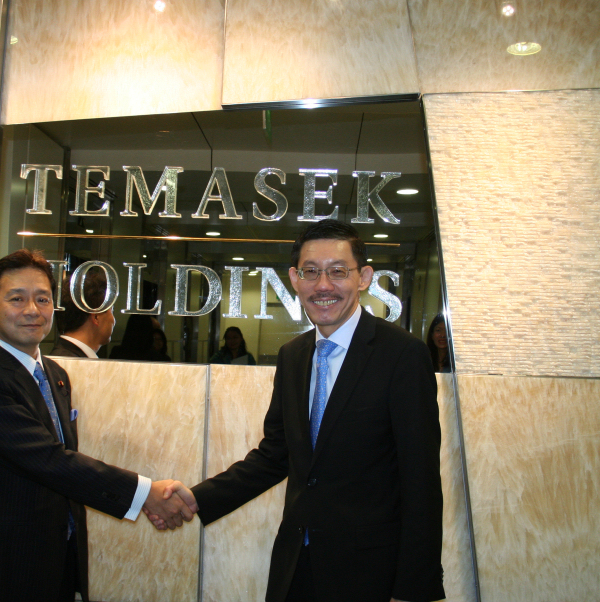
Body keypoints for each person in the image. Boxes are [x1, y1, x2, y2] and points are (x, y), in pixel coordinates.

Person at [182, 220, 444, 602]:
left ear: (363, 277)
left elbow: (421, 481)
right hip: (295, 570)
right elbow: (275, 455)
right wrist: (196, 498)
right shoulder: (293, 355)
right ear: (294, 278)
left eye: (338, 271)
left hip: (369, 575)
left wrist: (413, 589)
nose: (323, 285)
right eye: (311, 272)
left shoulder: (402, 354)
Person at [0, 248, 197, 602]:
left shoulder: (55, 374)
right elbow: (49, 461)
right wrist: (145, 494)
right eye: (17, 298)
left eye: (42, 299)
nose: (32, 310)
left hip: (54, 566)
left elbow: (62, 471)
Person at [49, 265, 114, 358]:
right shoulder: (69, 362)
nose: (113, 320)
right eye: (111, 311)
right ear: (96, 316)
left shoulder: (64, 356)